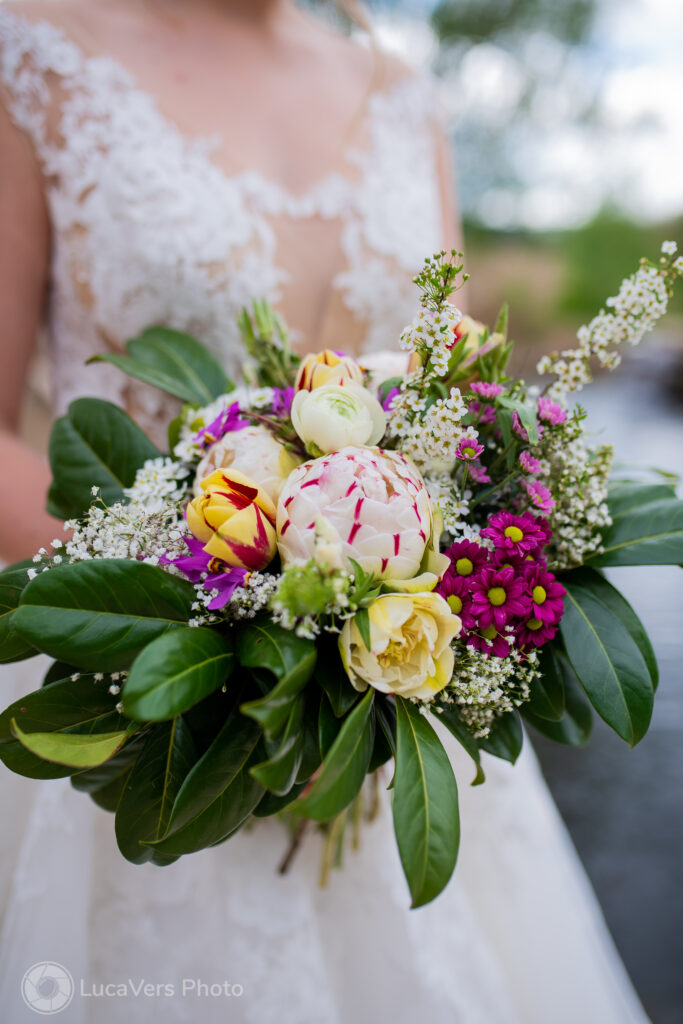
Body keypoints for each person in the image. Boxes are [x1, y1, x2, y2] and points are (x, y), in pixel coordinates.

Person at [0, 2, 649, 1022]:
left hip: (398, 714)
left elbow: (454, 391)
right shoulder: (33, 56)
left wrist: (383, 676)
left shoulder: (399, 94)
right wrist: (210, 640)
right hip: (154, 710)